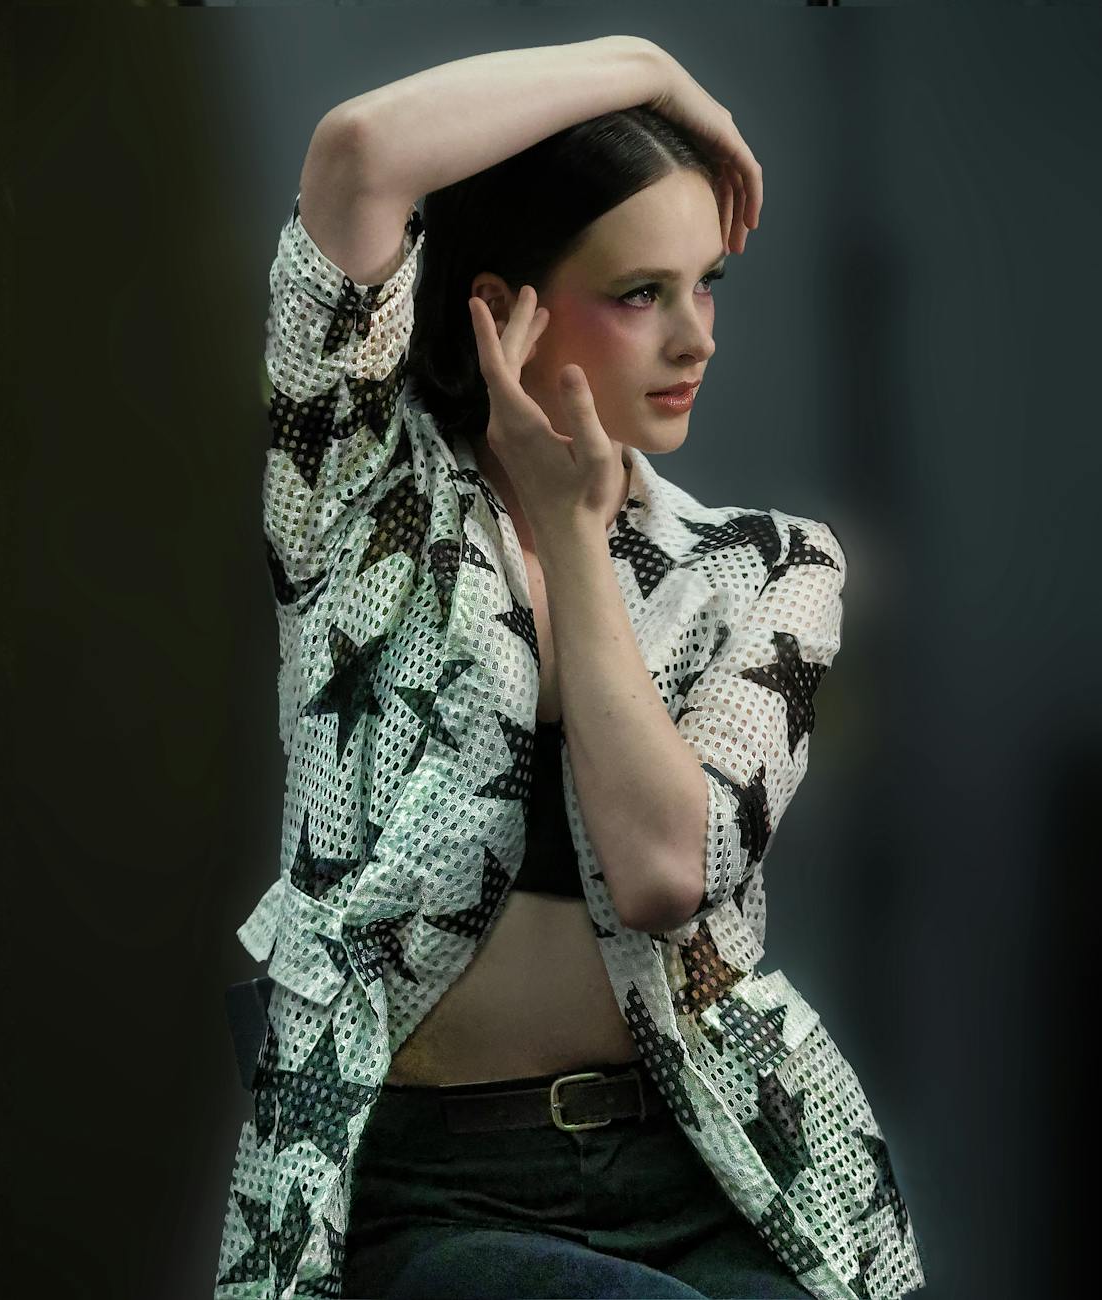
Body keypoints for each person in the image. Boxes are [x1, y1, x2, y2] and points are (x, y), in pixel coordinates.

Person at [214, 35, 926, 1300]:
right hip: (430, 1191)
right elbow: (362, 155)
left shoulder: (766, 569)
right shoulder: (357, 499)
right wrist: (648, 67)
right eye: (642, 293)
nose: (697, 338)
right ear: (502, 311)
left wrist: (574, 535)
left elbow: (663, 871)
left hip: (705, 1165)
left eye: (707, 286)